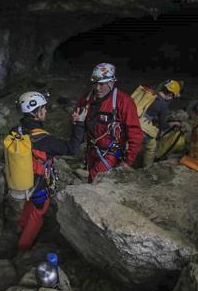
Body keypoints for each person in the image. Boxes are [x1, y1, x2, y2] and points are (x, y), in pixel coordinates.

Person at [14, 91, 86, 251]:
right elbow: (72, 148)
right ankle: (23, 247)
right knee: (38, 213)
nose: (46, 111)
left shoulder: (18, 129)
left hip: (24, 179)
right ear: (36, 113)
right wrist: (79, 124)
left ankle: (19, 228)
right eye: (43, 108)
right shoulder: (44, 140)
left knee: (29, 203)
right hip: (38, 184)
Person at [74, 63, 143, 183]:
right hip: (91, 150)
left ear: (111, 82)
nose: (97, 88)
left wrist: (127, 162)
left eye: (102, 84)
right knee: (91, 177)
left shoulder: (123, 102)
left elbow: (135, 134)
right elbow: (79, 122)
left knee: (96, 179)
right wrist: (76, 122)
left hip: (111, 153)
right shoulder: (87, 99)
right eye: (95, 84)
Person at [141, 79, 183, 166]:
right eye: (173, 96)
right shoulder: (163, 105)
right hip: (140, 125)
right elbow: (163, 126)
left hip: (134, 117)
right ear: (171, 94)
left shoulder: (152, 94)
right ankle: (147, 168)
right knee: (152, 145)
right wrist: (175, 123)